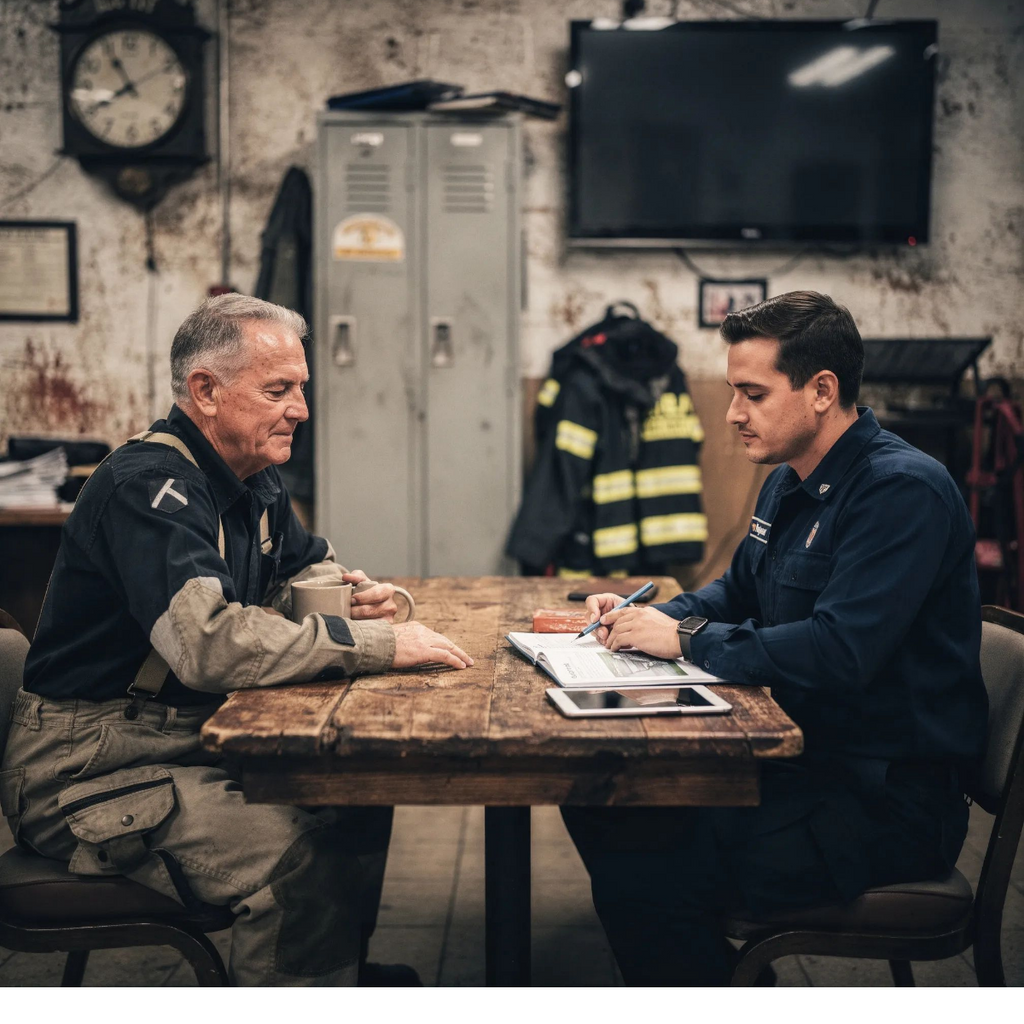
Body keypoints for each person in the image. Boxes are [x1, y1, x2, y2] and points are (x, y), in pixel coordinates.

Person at [0, 294, 473, 986]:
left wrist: (341, 593)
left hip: (172, 731)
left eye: (301, 389)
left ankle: (332, 972)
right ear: (206, 392)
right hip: (86, 767)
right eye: (279, 390)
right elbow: (208, 644)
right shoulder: (150, 489)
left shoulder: (253, 478)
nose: (301, 411)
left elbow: (305, 560)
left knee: (357, 796)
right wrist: (374, 644)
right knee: (296, 852)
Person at [561, 290, 988, 986]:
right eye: (733, 392)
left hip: (883, 804)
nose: (732, 413)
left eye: (752, 394)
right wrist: (652, 620)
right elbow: (737, 594)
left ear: (822, 390)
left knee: (644, 866)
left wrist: (687, 640)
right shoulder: (790, 481)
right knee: (602, 798)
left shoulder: (902, 493)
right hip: (807, 766)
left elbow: (838, 651)